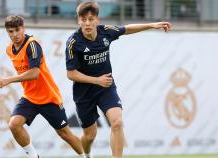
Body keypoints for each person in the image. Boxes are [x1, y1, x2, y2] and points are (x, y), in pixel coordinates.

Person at [65, 1, 172, 158]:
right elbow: (71, 74)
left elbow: (126, 29)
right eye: (83, 19)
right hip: (84, 92)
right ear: (78, 20)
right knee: (90, 136)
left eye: (90, 19)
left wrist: (152, 25)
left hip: (106, 87)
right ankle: (86, 155)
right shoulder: (73, 42)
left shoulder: (105, 32)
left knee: (117, 122)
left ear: (97, 20)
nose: (87, 23)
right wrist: (96, 80)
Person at [0, 15, 85, 158]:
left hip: (49, 97)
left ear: (23, 28)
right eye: (10, 32)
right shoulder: (9, 49)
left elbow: (35, 73)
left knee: (65, 134)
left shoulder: (32, 44)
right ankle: (33, 156)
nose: (14, 34)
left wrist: (9, 80)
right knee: (14, 124)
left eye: (17, 30)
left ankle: (86, 156)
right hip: (30, 97)